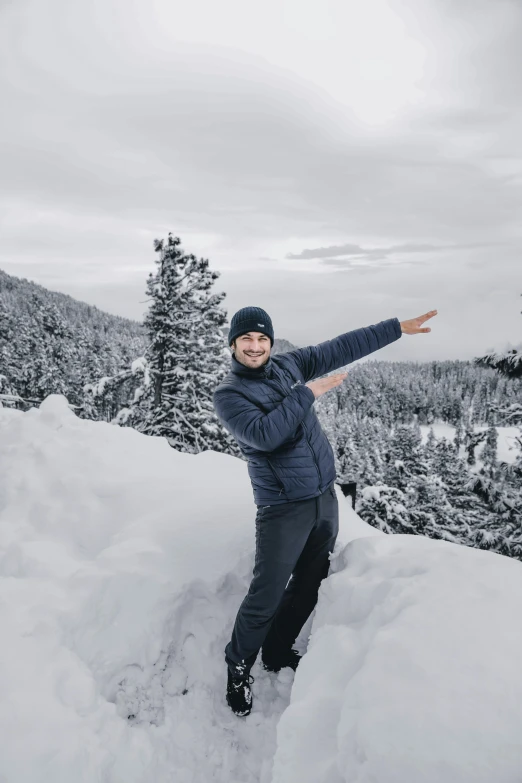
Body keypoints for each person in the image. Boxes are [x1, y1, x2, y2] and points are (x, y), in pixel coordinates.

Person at [212, 305, 437, 716]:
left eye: (262, 338)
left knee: (310, 583)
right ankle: (238, 667)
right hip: (282, 509)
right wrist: (308, 393)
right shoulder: (230, 394)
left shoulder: (288, 365)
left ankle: (277, 652)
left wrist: (395, 329)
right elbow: (265, 435)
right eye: (247, 339)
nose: (256, 346)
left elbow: (340, 347)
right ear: (233, 344)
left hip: (323, 498)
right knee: (265, 595)